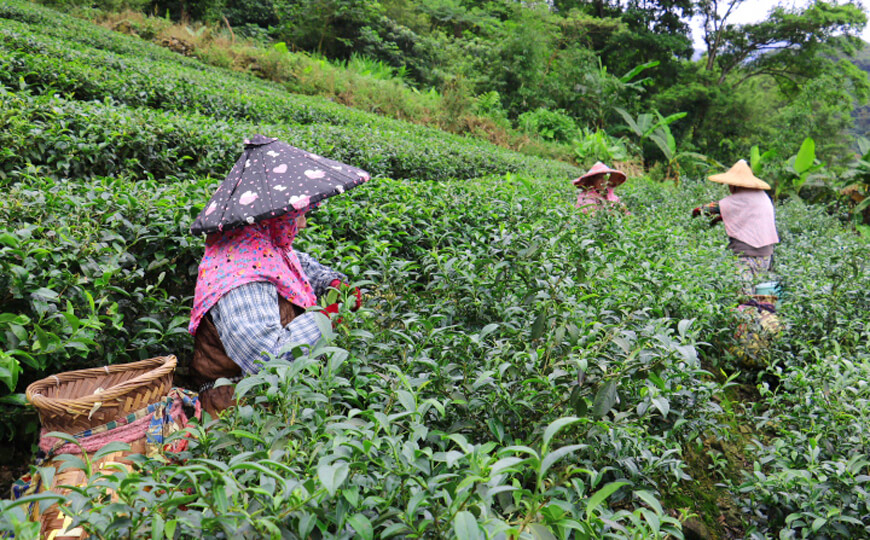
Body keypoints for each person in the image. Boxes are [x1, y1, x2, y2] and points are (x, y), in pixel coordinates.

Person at [187, 209, 360, 415]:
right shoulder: (241, 280)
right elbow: (268, 360)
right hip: (242, 410)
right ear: (270, 217)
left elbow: (299, 267)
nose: (303, 224)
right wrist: (327, 317)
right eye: (297, 215)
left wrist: (333, 283)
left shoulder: (262, 248)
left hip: (275, 399)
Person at [692, 159, 779, 289]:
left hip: (746, 254)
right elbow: (747, 215)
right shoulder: (762, 196)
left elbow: (709, 208)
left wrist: (695, 212)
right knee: (757, 291)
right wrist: (720, 218)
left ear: (734, 185)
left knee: (744, 295)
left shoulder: (738, 198)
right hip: (766, 254)